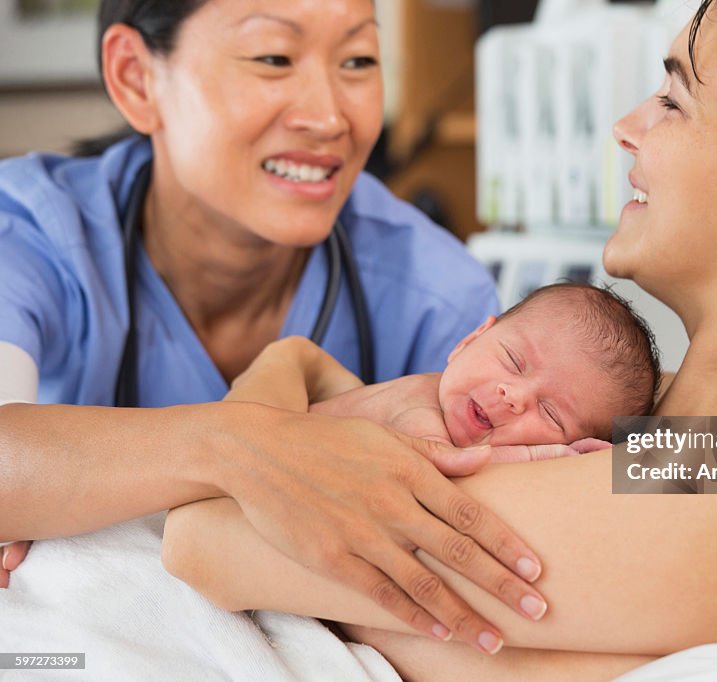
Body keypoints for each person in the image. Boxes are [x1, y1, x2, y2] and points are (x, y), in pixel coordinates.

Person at [161, 0, 717, 677]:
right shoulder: (692, 424)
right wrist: (294, 368)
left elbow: (202, 537)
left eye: (675, 100)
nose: (627, 127)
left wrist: (284, 385)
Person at [0, 0, 557, 652]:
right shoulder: (31, 231)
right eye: (273, 58)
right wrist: (241, 449)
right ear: (136, 77)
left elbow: (527, 522)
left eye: (358, 60)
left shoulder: (431, 289)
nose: (328, 117)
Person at [264, 283, 660, 453]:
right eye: (513, 361)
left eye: (551, 414)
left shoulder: (711, 447)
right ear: (469, 339)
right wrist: (545, 458)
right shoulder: (419, 409)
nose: (514, 395)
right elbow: (445, 468)